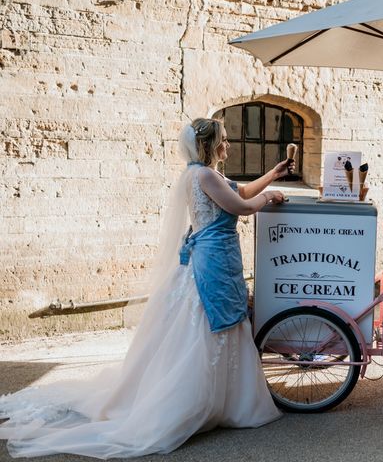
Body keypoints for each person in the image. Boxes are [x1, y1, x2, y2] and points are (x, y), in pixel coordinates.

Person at [0, 118, 290, 458]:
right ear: (210, 145)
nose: (228, 145)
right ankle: (205, 402)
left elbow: (239, 192)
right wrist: (270, 196)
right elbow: (241, 207)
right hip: (212, 260)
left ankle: (225, 402)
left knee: (212, 321)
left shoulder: (202, 174)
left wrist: (272, 174)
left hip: (216, 255)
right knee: (210, 323)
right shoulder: (204, 175)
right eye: (224, 140)